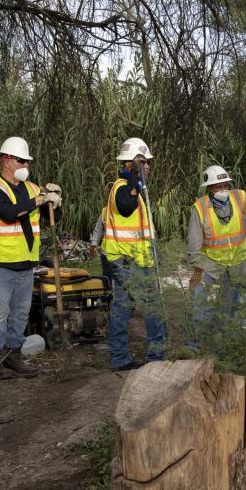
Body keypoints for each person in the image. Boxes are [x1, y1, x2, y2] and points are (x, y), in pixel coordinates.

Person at [0, 136, 62, 377]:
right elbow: (9, 214)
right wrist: (39, 200)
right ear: (5, 160)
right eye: (21, 160)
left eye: (27, 161)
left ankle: (13, 356)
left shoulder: (33, 188)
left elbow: (52, 215)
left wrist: (55, 201)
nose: (25, 165)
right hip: (0, 263)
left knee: (20, 314)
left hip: (26, 263)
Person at [101, 137, 166, 371]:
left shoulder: (134, 188)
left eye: (148, 163)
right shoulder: (122, 188)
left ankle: (120, 358)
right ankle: (156, 358)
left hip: (133, 258)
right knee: (151, 306)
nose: (148, 166)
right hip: (129, 261)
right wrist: (135, 180)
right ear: (131, 163)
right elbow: (126, 206)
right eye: (143, 162)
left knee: (122, 307)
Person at [186, 165, 246, 350]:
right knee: (196, 303)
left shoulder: (239, 197)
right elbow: (194, 242)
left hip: (236, 262)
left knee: (228, 309)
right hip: (209, 263)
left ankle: (222, 349)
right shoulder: (200, 207)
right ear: (210, 188)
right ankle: (191, 347)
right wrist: (197, 268)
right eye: (217, 186)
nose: (222, 189)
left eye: (225, 185)